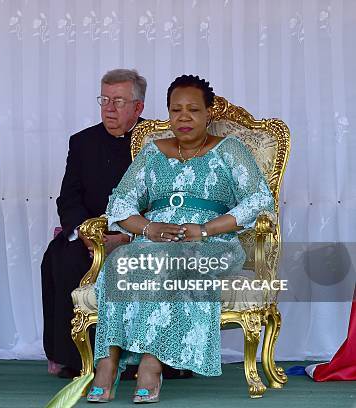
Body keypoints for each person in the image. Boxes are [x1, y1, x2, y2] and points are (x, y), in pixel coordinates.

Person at [87, 75, 275, 403]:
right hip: (156, 240)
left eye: (192, 110)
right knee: (120, 261)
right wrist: (148, 228)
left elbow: (258, 200)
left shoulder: (229, 150)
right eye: (176, 110)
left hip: (212, 243)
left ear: (209, 113)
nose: (183, 118)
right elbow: (120, 204)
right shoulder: (152, 152)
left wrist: (206, 229)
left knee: (175, 262)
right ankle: (108, 360)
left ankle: (151, 363)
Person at [41, 69, 146, 378]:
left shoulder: (158, 143)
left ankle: (140, 359)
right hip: (91, 233)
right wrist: (86, 234)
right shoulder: (82, 142)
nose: (108, 108)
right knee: (61, 257)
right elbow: (68, 198)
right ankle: (75, 360)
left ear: (138, 107)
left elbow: (166, 200)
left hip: (139, 235)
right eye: (104, 99)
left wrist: (127, 237)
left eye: (118, 101)